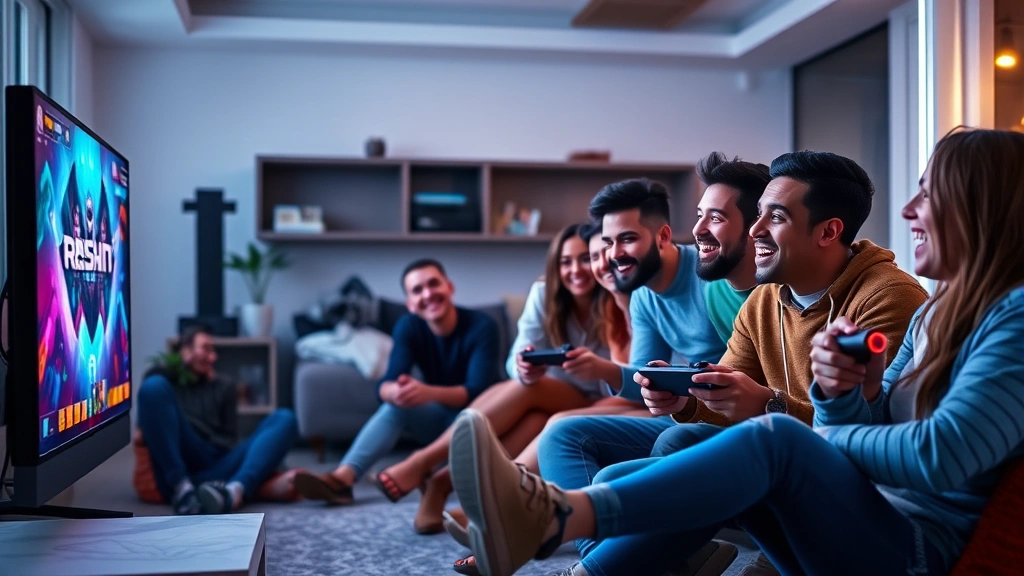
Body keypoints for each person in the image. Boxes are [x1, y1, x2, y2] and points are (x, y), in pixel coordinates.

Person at [444, 127, 1024, 576]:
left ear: (983, 206)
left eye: (928, 193)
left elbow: (938, 457)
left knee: (773, 443)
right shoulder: (935, 315)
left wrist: (804, 427)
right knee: (680, 442)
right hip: (874, 509)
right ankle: (588, 558)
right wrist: (841, 394)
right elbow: (865, 424)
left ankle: (555, 516)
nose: (908, 211)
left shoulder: (1009, 317)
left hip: (922, 549)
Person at [536, 151, 929, 575]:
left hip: (852, 490)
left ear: (829, 231)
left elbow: (878, 432)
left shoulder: (888, 298)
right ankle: (641, 560)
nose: (756, 231)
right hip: (786, 458)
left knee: (645, 469)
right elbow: (728, 391)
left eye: (774, 217)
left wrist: (769, 406)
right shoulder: (764, 299)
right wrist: (685, 398)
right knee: (660, 449)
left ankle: (592, 560)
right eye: (758, 215)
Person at [375, 223, 624, 534]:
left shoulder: (619, 295)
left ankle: (435, 472)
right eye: (565, 261)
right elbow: (515, 360)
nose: (576, 270)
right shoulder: (544, 294)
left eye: (585, 258)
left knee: (538, 409)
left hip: (604, 398)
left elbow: (624, 374)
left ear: (602, 258)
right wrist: (524, 367)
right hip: (553, 392)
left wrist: (596, 368)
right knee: (528, 398)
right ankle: (438, 479)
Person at [293, 258, 501, 505]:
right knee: (394, 405)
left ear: (449, 287)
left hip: (484, 420)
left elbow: (475, 391)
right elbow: (386, 383)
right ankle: (343, 479)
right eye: (417, 290)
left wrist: (428, 393)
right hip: (439, 420)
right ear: (410, 304)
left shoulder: (483, 326)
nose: (428, 294)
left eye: (434, 284)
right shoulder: (408, 326)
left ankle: (434, 470)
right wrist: (394, 391)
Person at [136, 325, 300, 515]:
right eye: (205, 348)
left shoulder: (224, 386)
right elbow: (151, 388)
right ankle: (183, 488)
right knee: (152, 387)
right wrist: (180, 366)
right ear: (186, 350)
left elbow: (229, 439)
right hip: (180, 460)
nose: (212, 356)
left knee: (285, 418)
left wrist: (214, 386)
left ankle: (234, 492)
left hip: (218, 461)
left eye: (213, 351)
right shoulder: (168, 382)